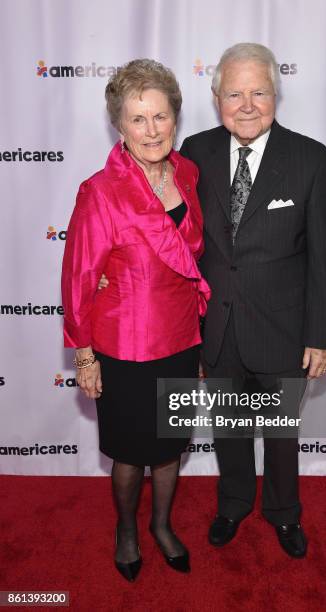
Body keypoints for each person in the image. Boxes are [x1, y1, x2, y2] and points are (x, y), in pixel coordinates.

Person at [179, 43, 326, 558]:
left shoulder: (311, 158)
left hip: (283, 328)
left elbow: (324, 257)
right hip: (217, 326)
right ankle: (232, 504)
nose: (246, 104)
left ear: (277, 93)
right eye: (234, 92)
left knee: (280, 435)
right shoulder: (194, 152)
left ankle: (284, 513)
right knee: (228, 427)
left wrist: (320, 335)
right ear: (215, 97)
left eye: (259, 91)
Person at [61, 58, 210, 582]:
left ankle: (163, 526)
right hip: (123, 346)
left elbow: (193, 262)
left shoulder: (188, 174)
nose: (152, 130)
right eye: (138, 119)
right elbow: (80, 276)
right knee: (129, 452)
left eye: (161, 116)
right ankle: (127, 530)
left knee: (169, 448)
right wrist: (83, 353)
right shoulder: (100, 191)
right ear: (119, 126)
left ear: (176, 118)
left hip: (181, 338)